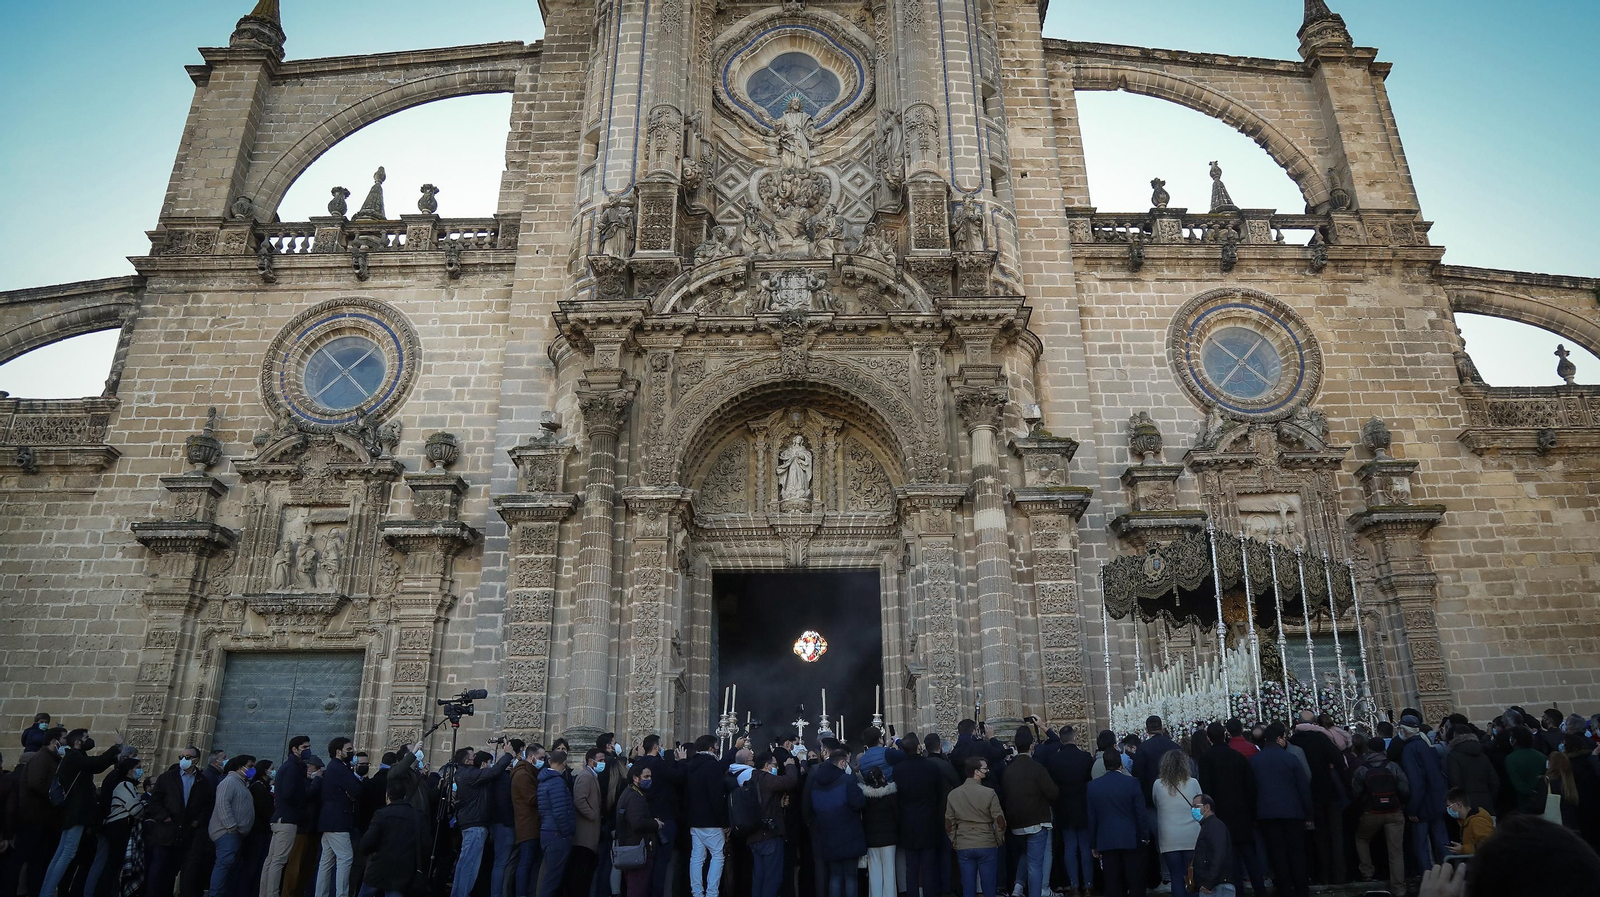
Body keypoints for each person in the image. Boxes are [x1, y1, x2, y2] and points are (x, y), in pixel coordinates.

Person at [39, 727, 125, 897]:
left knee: (61, 854)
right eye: (86, 737)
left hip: (72, 811)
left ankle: (46, 892)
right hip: (75, 812)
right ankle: (47, 893)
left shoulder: (75, 757)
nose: (89, 739)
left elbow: (95, 765)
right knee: (67, 854)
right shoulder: (74, 757)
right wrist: (117, 746)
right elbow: (97, 764)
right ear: (78, 741)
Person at [1197, 722, 1265, 897]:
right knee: (1249, 855)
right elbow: (1251, 787)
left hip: (1221, 814)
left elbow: (1206, 789)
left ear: (1208, 738)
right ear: (1225, 735)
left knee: (1230, 857)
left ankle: (1238, 891)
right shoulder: (1238, 757)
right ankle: (1260, 889)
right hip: (1242, 813)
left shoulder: (1206, 759)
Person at [1249, 723, 1311, 897]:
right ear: (1279, 738)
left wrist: (1255, 813)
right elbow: (1303, 787)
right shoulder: (1290, 758)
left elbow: (1251, 790)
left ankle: (1284, 889)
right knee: (1297, 853)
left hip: (1267, 814)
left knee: (1277, 854)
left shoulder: (1255, 760)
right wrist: (1308, 812)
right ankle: (1301, 888)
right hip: (1293, 813)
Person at [147, 744, 216, 897]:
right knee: (158, 870)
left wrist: (197, 822)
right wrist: (165, 817)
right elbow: (155, 800)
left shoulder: (202, 782)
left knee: (173, 871)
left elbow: (207, 806)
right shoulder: (167, 777)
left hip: (185, 834)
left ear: (196, 760)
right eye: (181, 757)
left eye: (188, 757)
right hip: (165, 832)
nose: (183, 760)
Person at [1289, 710, 1346, 885]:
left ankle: (1322, 875)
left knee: (1317, 837)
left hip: (1307, 795)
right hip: (1328, 792)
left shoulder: (1293, 742)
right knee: (1336, 834)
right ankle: (1340, 876)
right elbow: (1339, 761)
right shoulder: (1322, 739)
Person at [449, 744, 513, 897]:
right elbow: (493, 771)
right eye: (473, 756)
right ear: (468, 761)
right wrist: (508, 755)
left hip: (471, 824)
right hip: (475, 826)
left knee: (463, 865)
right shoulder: (469, 775)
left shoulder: (464, 773)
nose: (475, 757)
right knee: (470, 867)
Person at [1349, 734, 1409, 897]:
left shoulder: (1363, 768)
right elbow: (1404, 788)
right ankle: (1399, 888)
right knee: (1396, 851)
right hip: (1394, 811)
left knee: (1362, 839)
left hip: (1372, 811)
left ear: (1369, 749)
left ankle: (1367, 874)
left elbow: (1356, 791)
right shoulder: (1392, 766)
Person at [1001, 727, 1058, 897]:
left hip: (1016, 823)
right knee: (1035, 865)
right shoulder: (1036, 768)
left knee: (1027, 855)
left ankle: (1018, 888)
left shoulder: (1008, 770)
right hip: (1036, 821)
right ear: (1032, 745)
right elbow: (1053, 793)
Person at [1085, 750, 1148, 897]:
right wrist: (1144, 835)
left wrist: (1093, 843)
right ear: (1120, 763)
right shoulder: (1132, 782)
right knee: (1135, 881)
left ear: (1105, 764)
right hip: (1130, 838)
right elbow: (1140, 812)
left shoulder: (1093, 786)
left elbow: (1092, 817)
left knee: (1112, 883)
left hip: (1106, 839)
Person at [1042, 726, 1094, 897]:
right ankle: (1088, 886)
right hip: (1083, 807)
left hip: (1063, 808)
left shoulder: (1054, 760)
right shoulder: (1086, 758)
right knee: (1085, 848)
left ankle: (1074, 886)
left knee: (1070, 847)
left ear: (1061, 739)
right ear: (1074, 737)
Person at [891, 735, 946, 897]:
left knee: (911, 868)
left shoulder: (898, 770)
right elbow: (940, 793)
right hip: (929, 822)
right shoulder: (931, 767)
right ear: (919, 748)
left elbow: (897, 797)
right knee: (929, 867)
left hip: (907, 824)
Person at [83, 753, 143, 897]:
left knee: (113, 864)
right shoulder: (125, 785)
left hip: (118, 826)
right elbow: (135, 809)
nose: (140, 770)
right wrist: (143, 806)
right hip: (119, 827)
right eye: (138, 767)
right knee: (112, 864)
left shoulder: (126, 785)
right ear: (129, 770)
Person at [261, 735, 315, 897]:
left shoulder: (288, 766)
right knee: (278, 861)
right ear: (295, 749)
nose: (307, 750)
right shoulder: (292, 768)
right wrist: (302, 801)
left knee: (271, 861)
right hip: (287, 819)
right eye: (304, 747)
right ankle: (272, 894)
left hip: (279, 818)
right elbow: (290, 793)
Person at [1398, 713, 1450, 875]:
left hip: (1422, 804)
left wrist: (1412, 808)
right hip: (1437, 801)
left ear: (1404, 731)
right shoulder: (1426, 745)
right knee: (1442, 841)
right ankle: (1450, 873)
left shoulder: (1409, 749)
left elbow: (1416, 781)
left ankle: (1428, 879)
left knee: (1421, 845)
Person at [810, 747, 866, 897]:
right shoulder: (847, 780)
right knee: (850, 876)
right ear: (842, 763)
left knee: (835, 876)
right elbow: (858, 803)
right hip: (849, 836)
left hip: (828, 836)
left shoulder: (816, 783)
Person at [947, 758, 1006, 897]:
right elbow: (1000, 821)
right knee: (989, 885)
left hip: (964, 843)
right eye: (985, 769)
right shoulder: (989, 793)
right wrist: (998, 839)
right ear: (976, 772)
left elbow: (949, 823)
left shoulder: (953, 794)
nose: (987, 771)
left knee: (968, 886)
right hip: (986, 842)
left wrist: (955, 840)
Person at [359, 778, 426, 897]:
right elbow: (425, 843)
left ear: (387, 795)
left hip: (379, 867)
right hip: (404, 870)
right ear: (404, 795)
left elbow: (366, 843)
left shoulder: (382, 814)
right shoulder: (417, 816)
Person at [316, 738, 363, 897]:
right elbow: (356, 789)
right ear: (338, 751)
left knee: (326, 862)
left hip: (329, 820)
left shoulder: (335, 767)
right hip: (338, 821)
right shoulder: (339, 768)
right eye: (349, 749)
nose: (352, 752)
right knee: (345, 858)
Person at [684, 735, 730, 897]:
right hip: (712, 820)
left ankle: (696, 892)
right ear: (711, 747)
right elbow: (716, 795)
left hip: (695, 820)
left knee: (697, 858)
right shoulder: (712, 766)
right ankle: (711, 892)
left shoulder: (691, 765)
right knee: (718, 856)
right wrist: (724, 821)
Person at [1152, 749, 1201, 897]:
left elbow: (1156, 803)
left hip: (1169, 837)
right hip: (1191, 836)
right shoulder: (1193, 783)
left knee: (1176, 876)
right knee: (1192, 876)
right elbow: (1199, 806)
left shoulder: (1158, 785)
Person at [209, 755, 259, 897]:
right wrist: (231, 826)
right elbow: (223, 804)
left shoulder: (242, 783)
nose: (252, 769)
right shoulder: (229, 781)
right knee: (224, 865)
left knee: (231, 867)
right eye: (250, 766)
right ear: (239, 767)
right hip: (227, 833)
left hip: (237, 833)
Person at [615, 761, 662, 897]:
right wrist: (655, 823)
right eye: (646, 777)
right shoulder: (635, 796)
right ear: (636, 778)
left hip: (631, 847)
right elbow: (637, 822)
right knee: (637, 889)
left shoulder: (631, 793)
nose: (649, 780)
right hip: (637, 848)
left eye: (650, 777)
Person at [535, 751, 574, 897]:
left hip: (547, 831)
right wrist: (567, 831)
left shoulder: (544, 781)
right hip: (557, 834)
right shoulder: (557, 781)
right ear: (564, 762)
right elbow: (560, 812)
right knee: (552, 880)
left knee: (549, 876)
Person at [570, 748, 606, 897]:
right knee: (581, 872)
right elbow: (579, 799)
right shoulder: (586, 776)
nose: (603, 763)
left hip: (589, 833)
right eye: (601, 760)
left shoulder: (592, 776)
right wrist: (593, 815)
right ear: (591, 761)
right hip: (584, 835)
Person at [511, 742, 545, 897]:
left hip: (532, 824)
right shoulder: (523, 775)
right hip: (528, 825)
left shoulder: (530, 773)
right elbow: (532, 799)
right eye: (541, 757)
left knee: (532, 863)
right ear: (531, 757)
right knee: (526, 863)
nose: (543, 760)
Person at [860, 766, 899, 897]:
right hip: (889, 839)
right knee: (889, 872)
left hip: (871, 839)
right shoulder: (891, 795)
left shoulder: (864, 797)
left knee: (874, 873)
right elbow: (897, 816)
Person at [1445, 727, 1499, 814]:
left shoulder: (1453, 756)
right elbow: (1494, 781)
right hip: (1486, 801)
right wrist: (1489, 798)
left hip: (1465, 805)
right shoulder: (1483, 756)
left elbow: (1455, 782)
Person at [1189, 794, 1234, 897]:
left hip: (1216, 887)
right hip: (1212, 886)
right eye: (1192, 807)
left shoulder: (1214, 826)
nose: (1193, 810)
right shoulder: (1209, 826)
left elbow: (1219, 855)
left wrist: (1209, 883)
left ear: (1207, 807)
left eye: (1196, 806)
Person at [1504, 726, 1547, 814]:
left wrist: (1531, 793)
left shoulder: (1511, 758)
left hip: (1523, 802)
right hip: (1543, 799)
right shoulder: (1542, 756)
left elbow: (1518, 783)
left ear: (1515, 740)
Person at [1444, 788, 1493, 855]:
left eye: (1449, 806)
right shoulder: (1465, 821)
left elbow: (1488, 847)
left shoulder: (1477, 821)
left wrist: (1463, 849)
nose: (1448, 810)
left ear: (1459, 805)